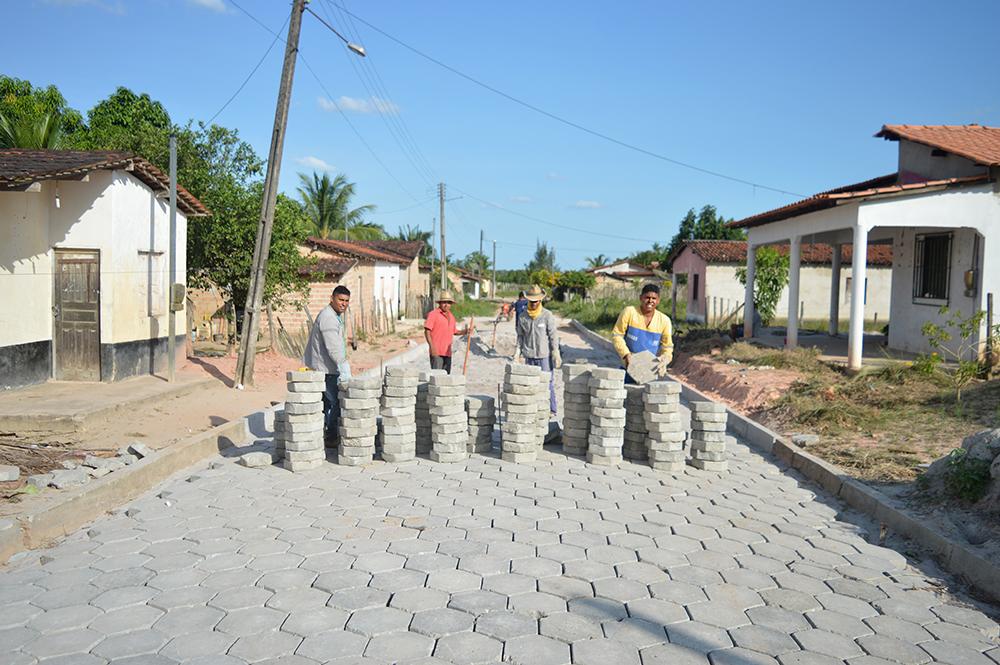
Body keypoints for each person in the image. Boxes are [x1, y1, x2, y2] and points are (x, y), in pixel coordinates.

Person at [303, 285, 353, 439]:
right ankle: (331, 437)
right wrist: (343, 366)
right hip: (326, 370)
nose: (343, 304)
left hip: (328, 368)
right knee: (336, 402)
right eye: (340, 300)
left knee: (325, 404)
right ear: (332, 298)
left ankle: (323, 435)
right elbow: (333, 347)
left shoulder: (334, 315)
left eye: (346, 301)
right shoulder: (328, 317)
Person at [612, 283, 674, 383]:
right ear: (641, 298)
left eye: (654, 298)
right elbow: (617, 335)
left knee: (647, 397)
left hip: (649, 372)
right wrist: (626, 355)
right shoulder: (629, 312)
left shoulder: (664, 320)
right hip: (627, 369)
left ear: (658, 300)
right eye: (647, 297)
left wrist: (665, 359)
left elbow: (667, 346)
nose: (650, 301)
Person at [514, 284, 562, 415]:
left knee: (548, 383)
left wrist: (555, 352)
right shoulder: (523, 316)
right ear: (528, 300)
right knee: (531, 384)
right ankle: (534, 410)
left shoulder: (547, 315)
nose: (534, 304)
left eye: (536, 301)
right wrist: (517, 353)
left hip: (544, 356)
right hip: (529, 355)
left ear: (540, 300)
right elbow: (520, 336)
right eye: (532, 301)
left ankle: (552, 409)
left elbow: (553, 335)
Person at [424, 290, 469, 373]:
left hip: (447, 352)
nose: (446, 305)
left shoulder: (451, 317)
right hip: (437, 352)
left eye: (448, 303)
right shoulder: (433, 314)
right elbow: (427, 331)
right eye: (444, 302)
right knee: (437, 377)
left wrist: (465, 331)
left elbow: (454, 331)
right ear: (440, 303)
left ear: (451, 304)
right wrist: (432, 347)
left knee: (446, 378)